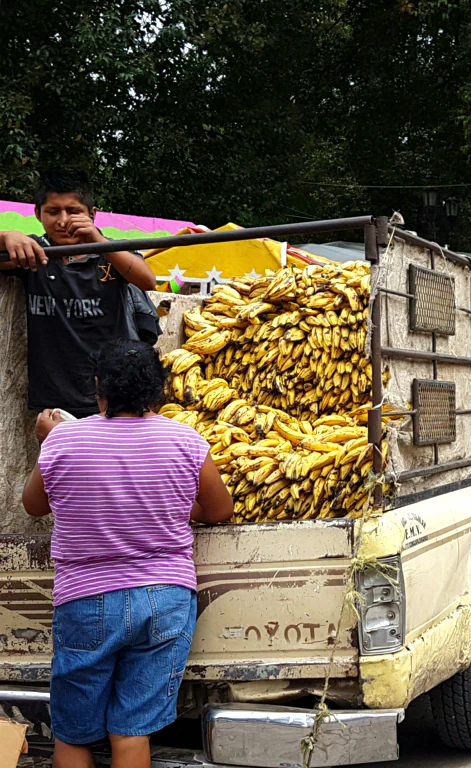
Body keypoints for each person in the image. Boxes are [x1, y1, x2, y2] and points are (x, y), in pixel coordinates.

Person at [23, 340, 233, 768]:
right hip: (166, 600)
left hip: (85, 600)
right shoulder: (186, 441)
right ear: (157, 390)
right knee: (132, 729)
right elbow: (219, 511)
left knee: (74, 734)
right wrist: (176, 505)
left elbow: (34, 504)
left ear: (99, 387)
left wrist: (49, 442)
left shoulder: (64, 440)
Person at [0, 169, 158, 418]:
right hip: (54, 397)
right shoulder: (33, 253)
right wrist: (6, 237)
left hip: (112, 394)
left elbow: (147, 280)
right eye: (53, 211)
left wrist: (97, 239)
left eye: (74, 211)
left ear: (92, 214)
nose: (63, 221)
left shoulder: (109, 254)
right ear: (37, 213)